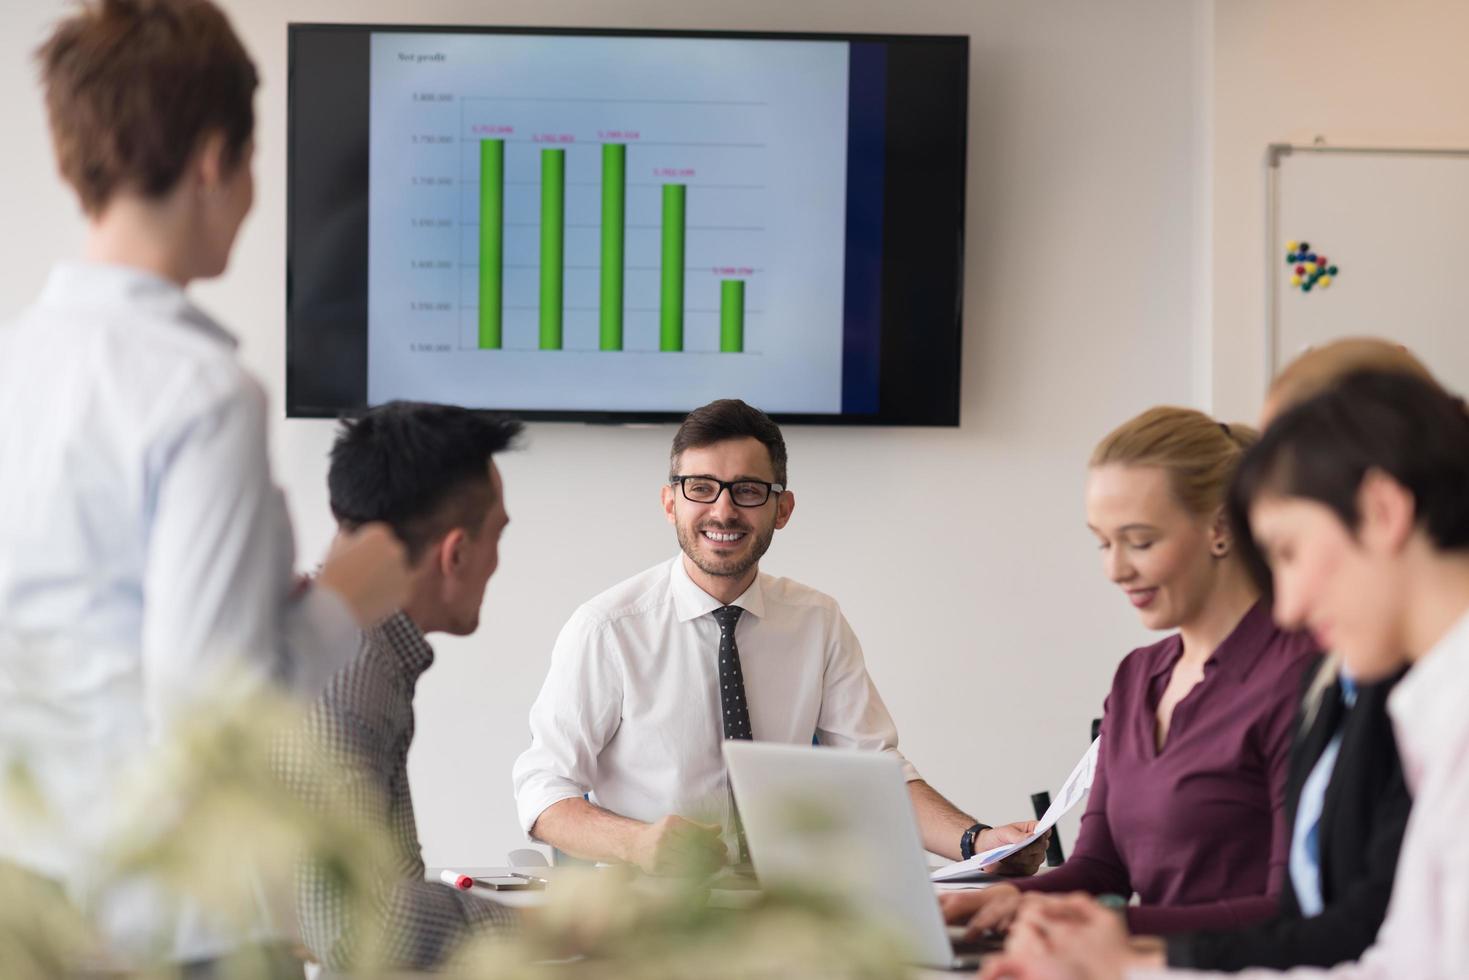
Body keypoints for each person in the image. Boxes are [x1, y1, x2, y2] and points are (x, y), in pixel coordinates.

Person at [0, 0, 408, 968]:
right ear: (216, 158)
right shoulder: (202, 393)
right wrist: (346, 598)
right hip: (172, 917)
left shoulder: (18, 364)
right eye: (254, 162)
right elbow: (210, 706)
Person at [981, 370, 1469, 979]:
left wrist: (1125, 954)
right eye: (1100, 543)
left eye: (1288, 553)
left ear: (1383, 512)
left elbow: (1331, 928)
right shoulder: (1426, 705)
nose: (1287, 609)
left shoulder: (1361, 692)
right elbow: (1400, 959)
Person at [512, 398, 1045, 874]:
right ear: (670, 502)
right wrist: (638, 843)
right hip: (653, 915)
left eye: (747, 491)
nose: (723, 510)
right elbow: (542, 791)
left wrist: (979, 843)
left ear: (781, 509)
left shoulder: (816, 621)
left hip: (786, 908)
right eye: (701, 488)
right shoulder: (608, 629)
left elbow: (876, 775)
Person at [944, 407, 1320, 937]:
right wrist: (988, 902)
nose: (1114, 569)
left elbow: (1291, 908)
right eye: (1103, 542)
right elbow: (1100, 871)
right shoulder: (1139, 677)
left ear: (1221, 527)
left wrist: (1103, 926)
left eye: (1140, 541)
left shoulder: (1303, 676)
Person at [280, 403, 521, 972]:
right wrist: (549, 927)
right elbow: (352, 924)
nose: (496, 563)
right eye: (498, 537)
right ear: (456, 553)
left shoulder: (355, 649)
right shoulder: (349, 665)